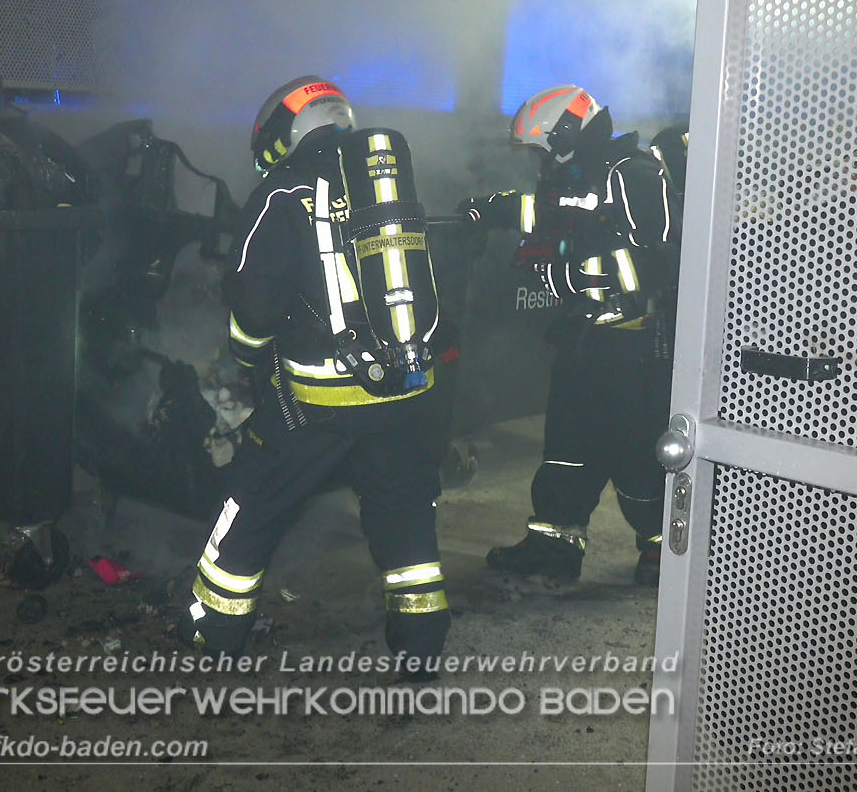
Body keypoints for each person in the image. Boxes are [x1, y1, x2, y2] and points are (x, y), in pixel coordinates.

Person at [180, 76, 449, 674]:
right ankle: (421, 646)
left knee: (251, 504)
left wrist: (248, 360)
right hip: (407, 393)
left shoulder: (282, 192)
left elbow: (253, 302)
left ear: (286, 131)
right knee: (405, 521)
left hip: (317, 402)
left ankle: (213, 634)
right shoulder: (387, 183)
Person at [460, 85, 682, 585]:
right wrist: (484, 210)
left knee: (637, 455)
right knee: (565, 447)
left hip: (634, 344)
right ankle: (554, 545)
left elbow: (662, 261)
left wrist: (573, 275)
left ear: (563, 132)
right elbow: (546, 212)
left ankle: (662, 550)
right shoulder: (579, 173)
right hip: (586, 338)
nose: (542, 158)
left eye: (542, 146)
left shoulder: (634, 172)